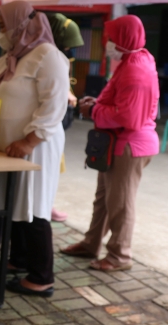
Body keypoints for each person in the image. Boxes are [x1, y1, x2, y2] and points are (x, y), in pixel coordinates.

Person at [0, 0, 69, 297]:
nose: (1, 33)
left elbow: (55, 104)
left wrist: (28, 141)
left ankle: (42, 277)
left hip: (35, 146)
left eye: (3, 26)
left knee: (34, 206)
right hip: (5, 149)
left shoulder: (48, 56)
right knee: (14, 204)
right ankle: (19, 259)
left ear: (23, 23)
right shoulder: (10, 57)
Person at [61, 15, 159, 272]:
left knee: (121, 203)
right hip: (117, 143)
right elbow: (121, 104)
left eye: (113, 39)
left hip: (129, 146)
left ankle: (119, 256)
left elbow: (129, 116)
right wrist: (98, 104)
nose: (109, 44)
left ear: (125, 39)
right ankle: (91, 243)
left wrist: (94, 112)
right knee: (104, 199)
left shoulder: (136, 70)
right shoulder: (135, 60)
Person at [47, 13, 85, 222]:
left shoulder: (60, 57)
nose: (69, 52)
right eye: (66, 46)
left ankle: (49, 203)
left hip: (57, 123)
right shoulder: (44, 57)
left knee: (55, 165)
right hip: (44, 126)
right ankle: (46, 205)